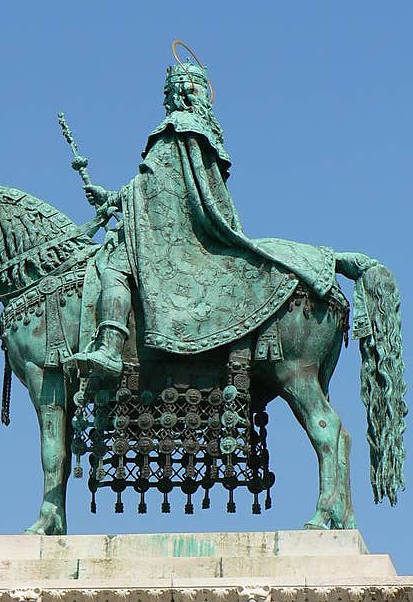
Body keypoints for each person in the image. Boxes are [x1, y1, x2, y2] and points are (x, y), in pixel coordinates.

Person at [66, 57, 345, 378]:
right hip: (193, 231)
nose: (164, 99)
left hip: (173, 238)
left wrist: (113, 198)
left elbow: (152, 187)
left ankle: (110, 349)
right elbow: (161, 189)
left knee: (114, 268)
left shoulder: (175, 129)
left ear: (181, 93)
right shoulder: (203, 133)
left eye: (168, 92)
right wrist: (112, 198)